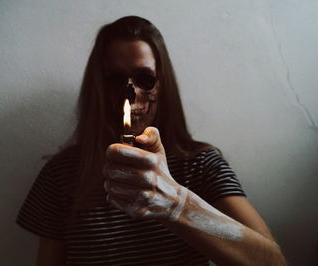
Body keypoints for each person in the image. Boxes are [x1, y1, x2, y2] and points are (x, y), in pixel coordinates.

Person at [16, 16, 287, 265]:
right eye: (114, 80)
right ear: (97, 85)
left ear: (162, 83)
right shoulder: (60, 175)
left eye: (144, 78)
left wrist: (175, 203)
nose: (130, 93)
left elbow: (272, 262)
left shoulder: (201, 165)